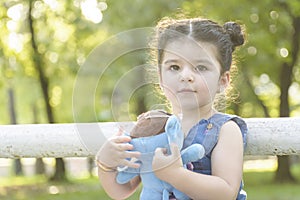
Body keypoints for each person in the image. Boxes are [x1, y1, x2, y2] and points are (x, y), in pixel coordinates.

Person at [95, 16, 248, 200]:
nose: (186, 76)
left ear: (222, 81)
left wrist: (175, 174)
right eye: (175, 67)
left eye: (200, 67)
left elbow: (226, 192)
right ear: (160, 77)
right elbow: (122, 190)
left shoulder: (225, 130)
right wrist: (105, 164)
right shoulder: (151, 129)